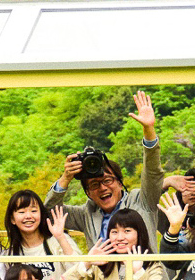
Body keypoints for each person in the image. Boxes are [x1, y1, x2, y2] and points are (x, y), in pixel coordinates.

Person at [46, 91, 164, 245]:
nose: (102, 188)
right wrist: (66, 178)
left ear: (120, 183)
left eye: (108, 180)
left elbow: (152, 172)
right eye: (94, 185)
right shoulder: (87, 214)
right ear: (88, 193)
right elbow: (49, 213)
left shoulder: (141, 202)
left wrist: (149, 130)